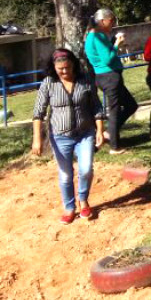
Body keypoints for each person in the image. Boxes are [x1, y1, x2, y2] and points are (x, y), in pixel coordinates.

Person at [32, 48, 105, 223]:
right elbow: (38, 113)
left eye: (68, 67)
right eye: (60, 69)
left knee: (86, 169)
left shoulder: (85, 80)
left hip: (85, 134)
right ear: (53, 68)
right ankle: (69, 207)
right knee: (65, 174)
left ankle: (83, 200)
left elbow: (96, 106)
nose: (65, 71)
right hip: (60, 137)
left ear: (73, 64)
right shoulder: (49, 83)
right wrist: (37, 139)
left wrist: (100, 130)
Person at [85, 8, 137, 155]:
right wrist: (117, 44)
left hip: (107, 77)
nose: (113, 23)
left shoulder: (97, 36)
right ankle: (114, 147)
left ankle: (109, 133)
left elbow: (104, 53)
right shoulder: (96, 36)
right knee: (114, 111)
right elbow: (107, 58)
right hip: (109, 77)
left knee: (131, 105)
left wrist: (113, 41)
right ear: (103, 21)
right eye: (111, 20)